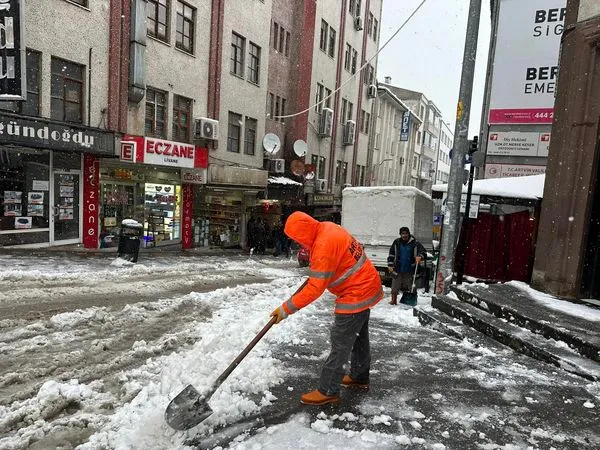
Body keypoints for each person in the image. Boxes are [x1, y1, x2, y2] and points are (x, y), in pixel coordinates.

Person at [270, 211, 383, 406]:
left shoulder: (322, 246)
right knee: (358, 337)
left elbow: (315, 289)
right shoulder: (328, 228)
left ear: (302, 233)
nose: (298, 243)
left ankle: (328, 389)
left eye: (297, 239)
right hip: (368, 284)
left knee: (340, 342)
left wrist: (285, 309)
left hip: (355, 292)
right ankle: (359, 375)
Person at [387, 226, 426, 306]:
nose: (404, 235)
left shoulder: (415, 243)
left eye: (406, 233)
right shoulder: (396, 242)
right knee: (395, 285)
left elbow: (423, 252)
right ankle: (393, 300)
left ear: (409, 234)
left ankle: (413, 299)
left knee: (411, 286)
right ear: (400, 234)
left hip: (410, 269)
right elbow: (391, 254)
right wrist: (390, 264)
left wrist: (420, 256)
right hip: (398, 268)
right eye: (402, 234)